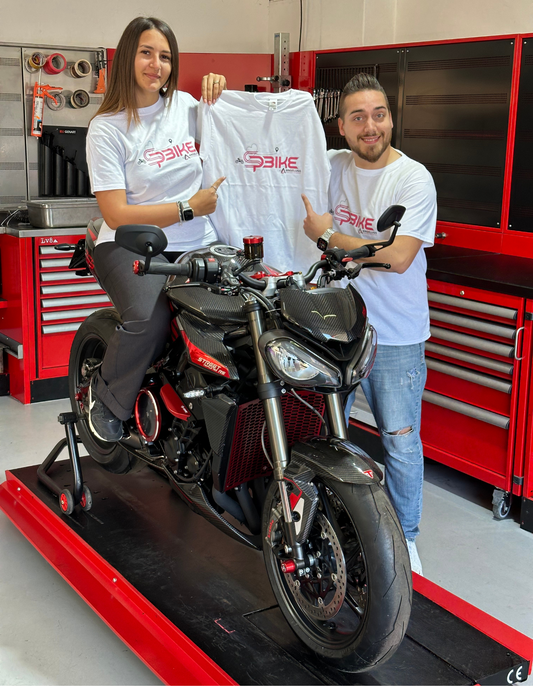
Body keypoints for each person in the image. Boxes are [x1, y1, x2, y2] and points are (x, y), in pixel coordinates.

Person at [301, 73, 437, 575]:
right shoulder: (332, 165)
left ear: (391, 118)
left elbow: (398, 256)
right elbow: (275, 153)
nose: (370, 126)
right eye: (357, 117)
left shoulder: (413, 179)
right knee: (327, 435)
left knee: (399, 442)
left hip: (396, 334)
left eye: (378, 114)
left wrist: (328, 237)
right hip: (336, 331)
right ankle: (336, 527)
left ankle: (406, 541)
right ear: (341, 127)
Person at [85, 16, 226, 443]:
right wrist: (186, 209)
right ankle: (106, 400)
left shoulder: (186, 106)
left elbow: (235, 130)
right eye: (146, 53)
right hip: (128, 242)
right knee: (151, 317)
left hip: (196, 240)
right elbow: (115, 213)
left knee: (235, 309)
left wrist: (221, 91)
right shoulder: (107, 128)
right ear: (128, 57)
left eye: (165, 56)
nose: (156, 65)